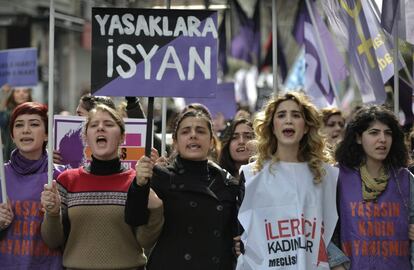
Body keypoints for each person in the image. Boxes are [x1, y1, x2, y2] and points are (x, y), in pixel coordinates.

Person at [41, 104, 164, 269]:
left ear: (122, 137)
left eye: (108, 124)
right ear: (86, 137)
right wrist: (52, 214)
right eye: (94, 125)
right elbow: (52, 241)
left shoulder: (137, 182)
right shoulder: (67, 180)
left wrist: (156, 210)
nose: (100, 128)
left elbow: (145, 241)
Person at [236, 92, 348, 269]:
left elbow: (331, 234)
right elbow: (244, 234)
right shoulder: (252, 175)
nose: (288, 120)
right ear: (273, 127)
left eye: (296, 115)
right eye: (281, 115)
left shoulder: (325, 175)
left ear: (305, 127)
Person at [126, 110, 241, 270]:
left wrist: (239, 245)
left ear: (212, 142)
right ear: (175, 142)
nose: (193, 135)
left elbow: (236, 235)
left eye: (200, 131)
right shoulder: (160, 177)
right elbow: (134, 219)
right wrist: (139, 185)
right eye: (186, 131)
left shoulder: (228, 184)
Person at [334, 105, 414, 269]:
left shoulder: (405, 179)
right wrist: (336, 264)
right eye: (374, 133)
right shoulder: (337, 177)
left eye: (388, 133)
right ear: (358, 137)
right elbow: (324, 231)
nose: (382, 139)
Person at [0, 102, 65, 269]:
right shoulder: (1, 176)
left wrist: (53, 212)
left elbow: (63, 238)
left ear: (46, 135)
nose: (26, 130)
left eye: (34, 124)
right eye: (19, 125)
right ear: (12, 136)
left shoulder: (61, 176)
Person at [0, 85, 33, 160]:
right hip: (11, 156)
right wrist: (4, 95)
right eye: (17, 91)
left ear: (29, 94)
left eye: (25, 91)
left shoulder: (36, 113)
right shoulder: (8, 114)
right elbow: (1, 121)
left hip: (32, 155)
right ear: (13, 94)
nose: (21, 94)